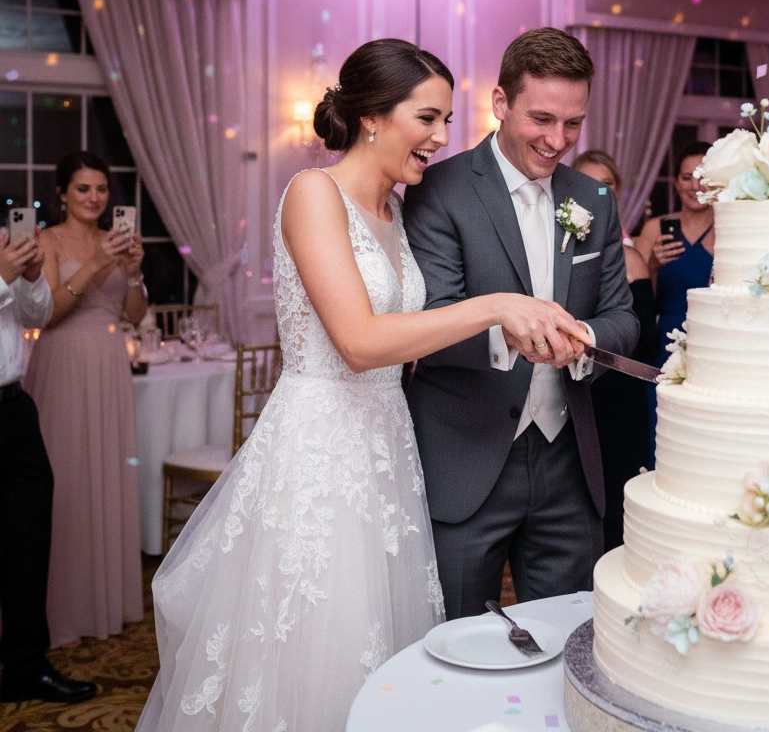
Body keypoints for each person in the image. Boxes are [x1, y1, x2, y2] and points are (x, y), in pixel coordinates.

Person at [136, 39, 590, 729]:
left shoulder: (397, 213)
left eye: (445, 121)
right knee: (316, 645)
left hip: (387, 451)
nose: (442, 138)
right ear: (374, 116)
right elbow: (357, 342)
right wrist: (499, 306)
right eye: (428, 118)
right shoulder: (313, 194)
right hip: (319, 456)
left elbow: (411, 344)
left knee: (385, 648)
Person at [404, 27, 639, 620]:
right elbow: (427, 325)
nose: (557, 140)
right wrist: (509, 336)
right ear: (501, 103)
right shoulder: (439, 189)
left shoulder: (594, 200)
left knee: (567, 639)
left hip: (568, 464)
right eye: (542, 119)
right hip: (467, 457)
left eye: (573, 124)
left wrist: (583, 340)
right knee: (453, 640)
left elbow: (621, 318)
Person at [24, 151, 146, 648]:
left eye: (100, 189)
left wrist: (134, 272)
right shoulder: (45, 241)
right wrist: (96, 263)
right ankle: (60, 609)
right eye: (82, 189)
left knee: (106, 473)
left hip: (109, 361)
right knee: (66, 479)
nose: (94, 198)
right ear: (62, 194)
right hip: (63, 361)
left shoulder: (115, 242)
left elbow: (135, 313)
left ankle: (105, 602)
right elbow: (46, 313)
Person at [0, 225, 97, 703]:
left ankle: (24, 665)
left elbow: (36, 314)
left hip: (14, 408)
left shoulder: (3, 244)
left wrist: (32, 277)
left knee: (27, 540)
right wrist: (2, 277)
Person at [573, 150, 658, 550]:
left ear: (618, 192)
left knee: (620, 506)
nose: (596, 191)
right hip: (572, 393)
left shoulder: (631, 259)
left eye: (604, 183)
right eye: (586, 182)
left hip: (620, 394)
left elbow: (642, 338)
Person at [633, 141, 713, 466]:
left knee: (704, 438)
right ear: (676, 182)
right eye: (686, 177)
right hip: (662, 347)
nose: (695, 186)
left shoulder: (729, 229)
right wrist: (651, 264)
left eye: (703, 176)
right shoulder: (654, 229)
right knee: (662, 439)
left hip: (712, 346)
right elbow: (635, 301)